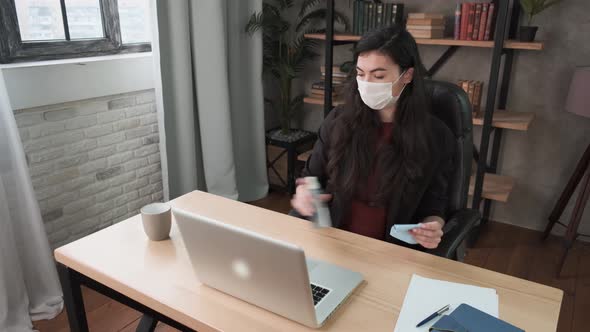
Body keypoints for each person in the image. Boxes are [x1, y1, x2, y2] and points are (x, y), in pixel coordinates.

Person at [291, 25, 456, 250]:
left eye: (378, 75)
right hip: (333, 240)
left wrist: (432, 226)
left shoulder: (436, 136)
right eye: (360, 74)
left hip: (390, 251)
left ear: (407, 75)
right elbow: (311, 176)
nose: (366, 83)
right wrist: (304, 193)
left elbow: (435, 203)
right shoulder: (339, 120)